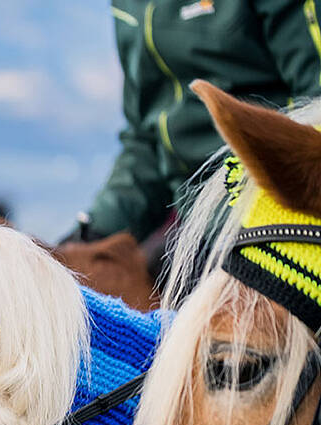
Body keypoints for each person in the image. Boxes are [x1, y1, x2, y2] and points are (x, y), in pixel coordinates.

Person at [70, 1, 321, 250]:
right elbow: (146, 140)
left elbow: (315, 104)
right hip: (190, 220)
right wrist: (91, 233)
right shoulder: (128, 6)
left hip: (273, 215)